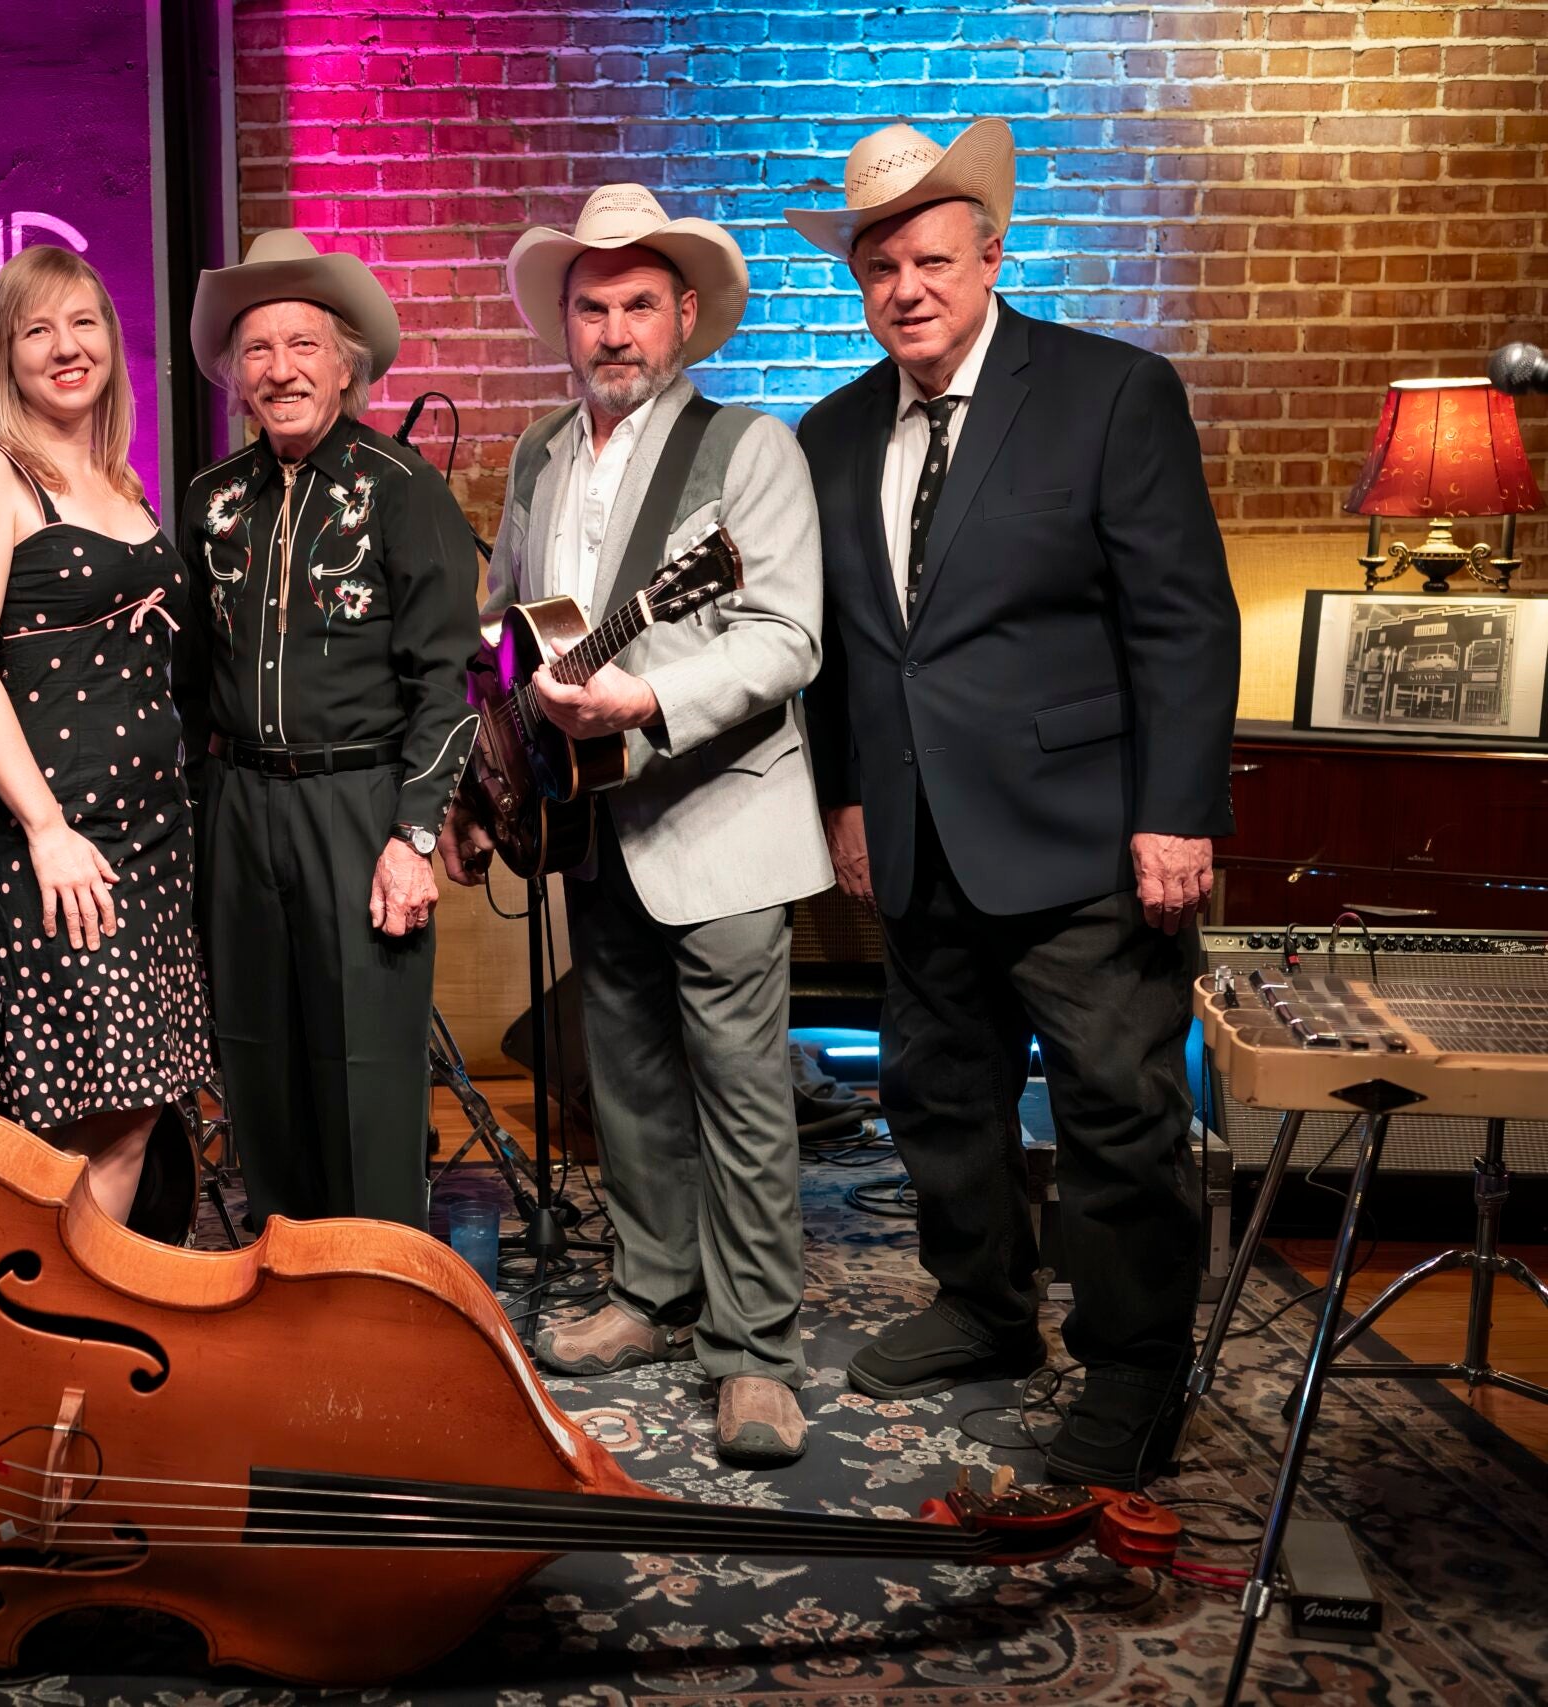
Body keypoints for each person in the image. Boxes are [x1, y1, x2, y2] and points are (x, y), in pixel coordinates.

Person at [787, 119, 1240, 1488]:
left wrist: (1176, 812)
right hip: (919, 835)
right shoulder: (834, 429)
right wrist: (848, 799)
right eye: (880, 268)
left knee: (1118, 1114)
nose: (906, 288)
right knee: (939, 1093)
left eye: (931, 258)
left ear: (991, 254)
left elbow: (1184, 622)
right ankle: (983, 1307)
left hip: (1091, 837)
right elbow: (849, 645)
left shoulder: (1111, 392)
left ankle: (1135, 1367)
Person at [443, 184, 830, 1465]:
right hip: (588, 819)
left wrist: (647, 693)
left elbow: (785, 637)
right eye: (592, 307)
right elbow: (512, 620)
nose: (614, 331)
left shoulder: (750, 447)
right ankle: (655, 1292)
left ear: (685, 320)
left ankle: (757, 1350)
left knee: (740, 1089)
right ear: (566, 321)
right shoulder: (538, 455)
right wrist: (503, 735)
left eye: (639, 308)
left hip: (720, 817)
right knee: (627, 1082)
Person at [178, 231, 482, 1228]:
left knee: (367, 1070)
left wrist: (415, 836)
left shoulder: (403, 489)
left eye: (303, 344)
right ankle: (285, 1284)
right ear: (235, 377)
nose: (281, 369)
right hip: (238, 803)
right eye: (258, 350)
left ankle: (379, 1300)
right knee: (257, 1062)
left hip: (362, 808)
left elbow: (446, 683)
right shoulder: (210, 501)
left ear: (346, 364)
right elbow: (189, 683)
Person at [0, 246, 212, 1225]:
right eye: (35, 328)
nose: (63, 346)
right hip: (60, 839)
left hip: (152, 843)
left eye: (82, 321)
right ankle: (37, 1332)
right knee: (81, 1112)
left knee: (129, 1111)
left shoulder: (123, 484)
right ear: (4, 355)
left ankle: (77, 1336)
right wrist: (45, 827)